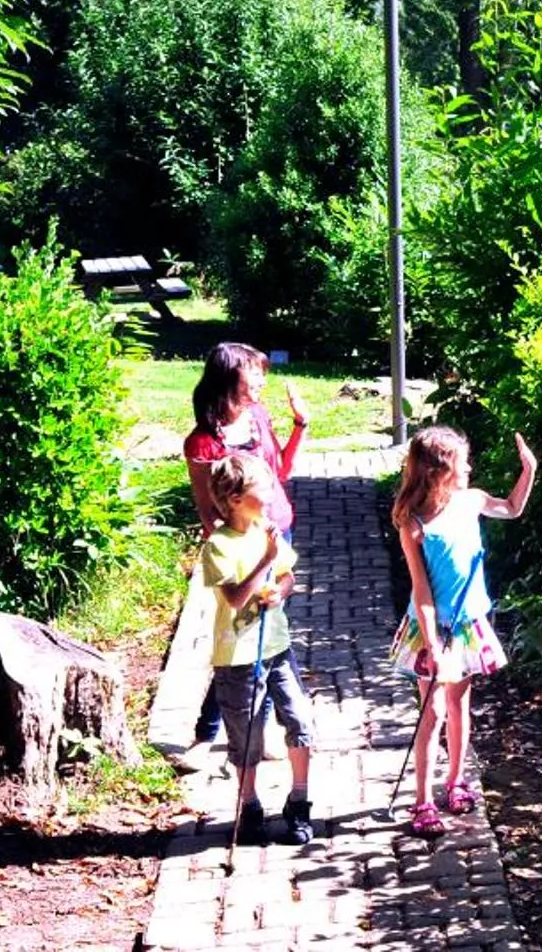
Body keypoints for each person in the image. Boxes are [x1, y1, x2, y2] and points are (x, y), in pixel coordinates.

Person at [389, 426, 537, 836]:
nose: (470, 467)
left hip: (470, 623)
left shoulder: (470, 502)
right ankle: (422, 799)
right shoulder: (414, 524)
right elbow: (420, 590)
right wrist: (433, 644)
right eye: (462, 461)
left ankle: (455, 781)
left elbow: (511, 508)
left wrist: (529, 471)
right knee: (431, 712)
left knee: (458, 706)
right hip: (433, 629)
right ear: (438, 471)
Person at [183, 342, 306, 750]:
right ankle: (210, 732)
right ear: (231, 378)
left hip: (276, 533)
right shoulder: (202, 443)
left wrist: (300, 427)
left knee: (266, 633)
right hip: (236, 547)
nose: (261, 382)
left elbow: (280, 473)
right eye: (254, 373)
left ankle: (259, 729)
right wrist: (238, 542)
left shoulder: (258, 417)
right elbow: (207, 509)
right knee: (237, 635)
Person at [199, 453, 318, 846]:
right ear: (234, 498)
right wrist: (263, 563)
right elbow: (233, 598)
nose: (269, 494)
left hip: (277, 646)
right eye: (261, 488)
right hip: (237, 658)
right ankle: (248, 805)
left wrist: (278, 591)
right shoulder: (217, 545)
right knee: (247, 736)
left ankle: (299, 802)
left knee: (300, 720)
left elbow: (288, 577)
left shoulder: (265, 531)